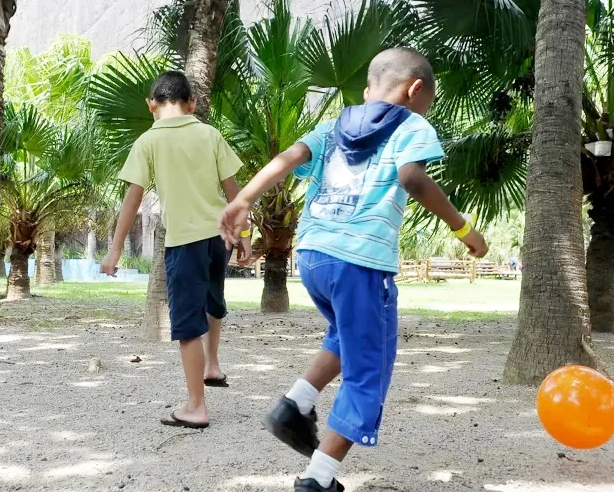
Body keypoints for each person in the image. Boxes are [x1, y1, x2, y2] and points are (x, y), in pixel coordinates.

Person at [219, 48, 488, 492]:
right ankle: (318, 478)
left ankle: (295, 404)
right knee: (370, 368)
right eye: (429, 102)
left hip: (313, 256)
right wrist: (463, 229)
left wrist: (245, 198)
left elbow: (288, 157)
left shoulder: (334, 124)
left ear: (368, 90)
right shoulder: (412, 124)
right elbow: (413, 179)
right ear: (416, 89)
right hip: (360, 262)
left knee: (345, 335)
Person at [101, 71, 251, 429]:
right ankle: (212, 366)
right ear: (192, 104)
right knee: (213, 302)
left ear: (151, 105)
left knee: (186, 325)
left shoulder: (148, 142)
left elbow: (131, 200)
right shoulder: (210, 134)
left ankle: (196, 407)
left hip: (184, 242)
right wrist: (244, 233)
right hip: (220, 238)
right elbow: (235, 191)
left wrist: (116, 249)